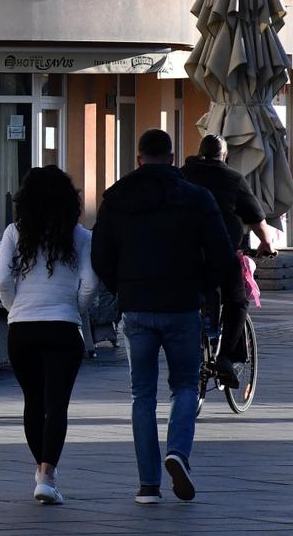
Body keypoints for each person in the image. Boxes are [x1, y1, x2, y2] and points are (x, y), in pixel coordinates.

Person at [91, 129, 238, 505]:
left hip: (136, 307)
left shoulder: (116, 197)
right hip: (182, 304)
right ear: (173, 158)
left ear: (139, 159)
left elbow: (100, 256)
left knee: (142, 394)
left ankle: (148, 486)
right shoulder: (196, 196)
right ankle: (177, 452)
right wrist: (204, 288)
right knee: (185, 386)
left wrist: (123, 287)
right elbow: (222, 252)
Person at [0, 166, 99, 506]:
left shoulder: (14, 233)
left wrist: (15, 310)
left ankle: (40, 470)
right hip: (63, 328)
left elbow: (2, 279)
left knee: (33, 403)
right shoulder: (81, 236)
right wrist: (75, 309)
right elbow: (91, 284)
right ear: (69, 200)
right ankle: (47, 475)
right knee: (56, 406)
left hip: (22, 329)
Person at [181, 134, 276, 387]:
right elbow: (259, 224)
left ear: (199, 152)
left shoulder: (183, 174)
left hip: (184, 257)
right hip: (222, 257)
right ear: (224, 156)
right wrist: (267, 247)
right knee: (237, 301)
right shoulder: (234, 179)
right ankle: (224, 358)